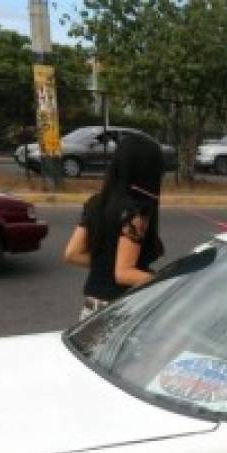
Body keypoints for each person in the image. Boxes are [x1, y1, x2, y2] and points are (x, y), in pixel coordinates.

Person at [63, 133, 165, 320]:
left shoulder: (96, 202)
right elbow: (123, 274)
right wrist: (166, 280)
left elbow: (72, 254)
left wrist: (105, 264)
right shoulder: (136, 213)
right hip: (119, 312)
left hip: (89, 311)